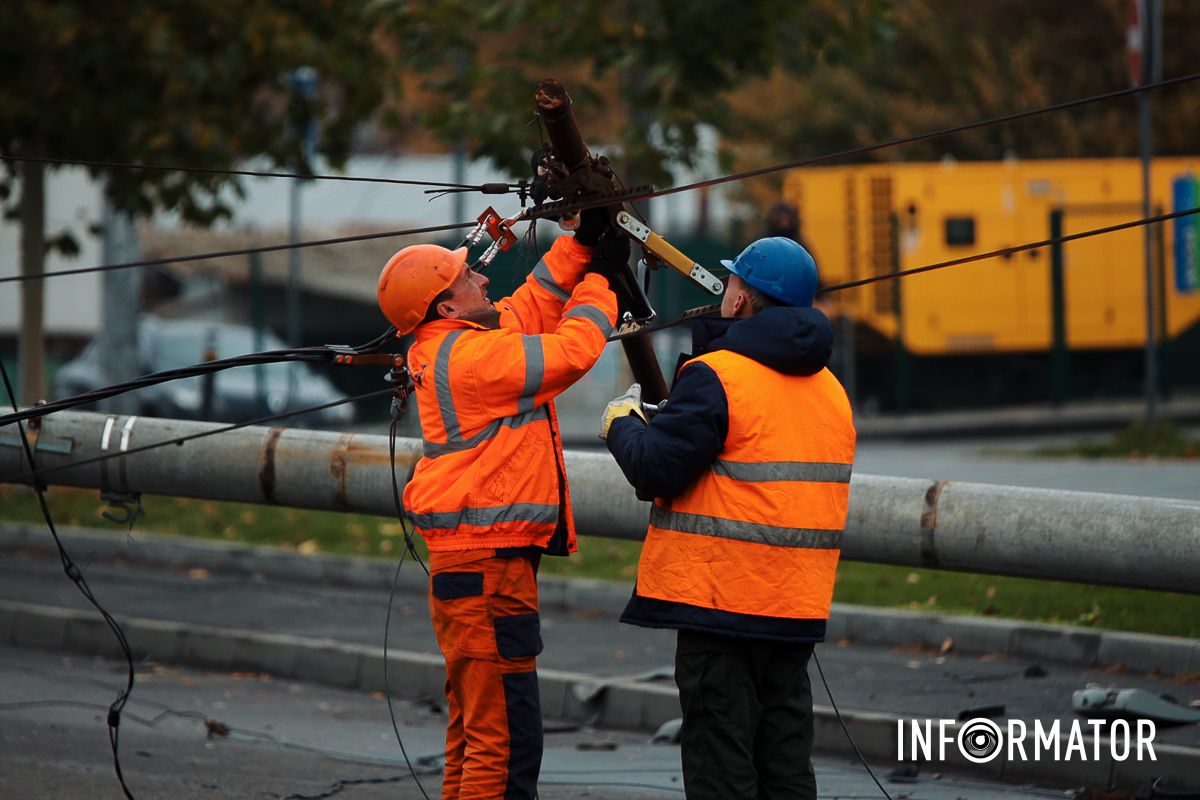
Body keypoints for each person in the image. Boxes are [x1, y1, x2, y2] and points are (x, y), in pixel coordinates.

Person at [377, 212, 623, 800]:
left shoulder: (455, 344)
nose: (483, 279)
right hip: (488, 571)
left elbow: (531, 306)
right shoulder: (475, 360)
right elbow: (572, 351)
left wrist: (581, 245)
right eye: (467, 278)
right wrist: (602, 282)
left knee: (475, 731)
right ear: (446, 307)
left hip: (472, 568)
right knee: (505, 744)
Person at [600, 236, 856, 800]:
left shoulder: (718, 375)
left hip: (721, 609)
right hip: (793, 608)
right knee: (785, 765)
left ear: (740, 300)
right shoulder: (831, 390)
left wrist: (621, 422)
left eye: (731, 282)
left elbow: (655, 469)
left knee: (722, 768)